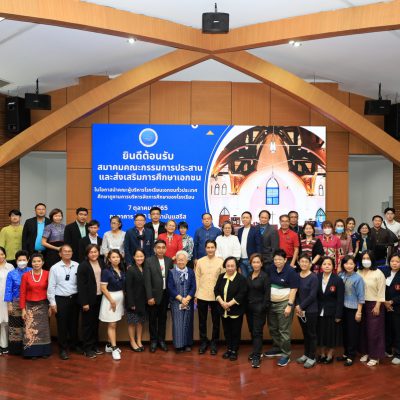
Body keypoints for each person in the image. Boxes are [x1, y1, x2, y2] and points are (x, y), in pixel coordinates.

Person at [264, 249, 300, 367]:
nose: (277, 261)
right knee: (273, 328)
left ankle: (286, 354)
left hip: (284, 304)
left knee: (284, 330)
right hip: (271, 304)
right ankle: (277, 348)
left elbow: (294, 289)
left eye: (280, 259)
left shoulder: (291, 271)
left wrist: (289, 305)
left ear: (285, 260)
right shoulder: (270, 269)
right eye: (275, 259)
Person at [47, 244, 80, 360]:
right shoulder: (55, 268)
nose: (67, 253)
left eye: (69, 251)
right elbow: (51, 286)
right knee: (62, 326)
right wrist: (52, 303)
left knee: (74, 324)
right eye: (65, 251)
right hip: (60, 299)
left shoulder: (77, 265)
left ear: (72, 253)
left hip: (74, 298)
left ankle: (74, 345)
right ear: (60, 254)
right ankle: (62, 349)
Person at [195, 240, 224, 355]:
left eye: (212, 247)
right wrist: (196, 294)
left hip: (216, 297)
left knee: (216, 321)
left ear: (215, 248)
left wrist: (221, 295)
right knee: (202, 321)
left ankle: (214, 343)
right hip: (202, 295)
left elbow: (223, 279)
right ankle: (203, 342)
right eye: (208, 247)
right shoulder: (200, 261)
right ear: (205, 248)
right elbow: (197, 278)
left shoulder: (221, 262)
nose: (210, 249)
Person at [215, 257, 247, 361]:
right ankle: (229, 349)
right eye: (228, 266)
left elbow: (242, 294)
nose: (230, 268)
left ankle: (234, 351)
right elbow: (216, 290)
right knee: (227, 331)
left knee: (235, 332)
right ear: (225, 266)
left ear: (236, 266)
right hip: (223, 309)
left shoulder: (241, 279)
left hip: (236, 310)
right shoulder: (221, 276)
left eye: (232, 266)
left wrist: (229, 304)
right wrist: (222, 303)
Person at [20, 253, 51, 359]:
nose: (36, 263)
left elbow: (51, 291)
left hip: (43, 305)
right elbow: (22, 293)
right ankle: (31, 352)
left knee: (43, 329)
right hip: (29, 306)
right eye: (34, 261)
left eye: (38, 261)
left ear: (43, 262)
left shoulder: (48, 274)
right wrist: (23, 309)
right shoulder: (25, 275)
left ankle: (44, 351)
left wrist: (50, 306)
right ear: (31, 263)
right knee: (30, 329)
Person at [144, 240, 173, 353]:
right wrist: (149, 297)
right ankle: (153, 341)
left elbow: (170, 278)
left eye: (163, 247)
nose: (161, 249)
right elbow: (147, 281)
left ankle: (161, 340)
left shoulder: (169, 260)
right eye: (158, 247)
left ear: (166, 249)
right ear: (154, 249)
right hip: (153, 296)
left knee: (163, 319)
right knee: (152, 319)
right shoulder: (149, 261)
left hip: (165, 295)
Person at [358, 250, 386, 366]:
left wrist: (378, 305)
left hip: (374, 304)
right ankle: (366, 352)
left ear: (372, 260)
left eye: (368, 258)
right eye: (364, 258)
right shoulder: (358, 271)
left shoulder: (378, 273)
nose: (366, 260)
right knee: (363, 330)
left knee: (374, 331)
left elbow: (381, 290)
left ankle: (375, 356)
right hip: (361, 304)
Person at [77, 244, 105, 358]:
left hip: (99, 297)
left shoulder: (101, 262)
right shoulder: (83, 266)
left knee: (95, 323)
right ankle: (87, 348)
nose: (93, 254)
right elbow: (81, 286)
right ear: (87, 254)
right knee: (87, 325)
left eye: (95, 251)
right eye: (91, 252)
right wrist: (84, 302)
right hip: (88, 300)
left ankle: (94, 346)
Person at [338, 255, 365, 366]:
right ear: (343, 264)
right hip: (342, 308)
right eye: (346, 263)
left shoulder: (358, 278)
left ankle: (351, 355)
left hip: (353, 309)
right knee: (344, 333)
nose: (349, 266)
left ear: (355, 265)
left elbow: (361, 296)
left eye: (351, 264)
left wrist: (359, 312)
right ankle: (345, 353)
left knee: (352, 333)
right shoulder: (340, 275)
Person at [317, 256, 344, 364]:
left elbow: (340, 299)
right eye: (324, 264)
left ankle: (330, 355)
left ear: (333, 266)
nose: (327, 266)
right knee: (321, 334)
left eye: (329, 264)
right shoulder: (317, 277)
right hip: (319, 311)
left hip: (332, 312)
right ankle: (322, 354)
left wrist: (338, 315)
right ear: (321, 266)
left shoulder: (338, 280)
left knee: (331, 334)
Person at [167, 250, 196, 352]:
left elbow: (193, 286)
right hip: (176, 301)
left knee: (188, 322)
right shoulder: (171, 272)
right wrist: (181, 299)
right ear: (176, 261)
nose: (181, 262)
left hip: (188, 301)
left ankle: (188, 343)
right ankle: (179, 345)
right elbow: (170, 287)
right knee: (178, 323)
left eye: (183, 260)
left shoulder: (191, 271)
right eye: (179, 260)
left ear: (187, 261)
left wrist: (187, 298)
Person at [99, 249, 126, 361]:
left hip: (119, 298)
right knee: (112, 324)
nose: (116, 259)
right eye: (113, 257)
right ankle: (114, 348)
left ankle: (109, 345)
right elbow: (103, 288)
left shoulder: (121, 269)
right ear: (109, 259)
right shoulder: (106, 271)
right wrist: (111, 300)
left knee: (114, 323)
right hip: (110, 299)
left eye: (117, 257)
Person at [4, 250, 31, 355]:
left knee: (29, 325)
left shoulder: (32, 271)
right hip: (15, 302)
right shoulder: (11, 274)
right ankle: (16, 349)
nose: (22, 262)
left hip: (29, 302)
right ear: (16, 261)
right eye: (20, 260)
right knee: (15, 326)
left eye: (24, 259)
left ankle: (29, 348)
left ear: (28, 260)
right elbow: (8, 289)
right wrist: (9, 304)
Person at [246, 253, 270, 368]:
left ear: (261, 264)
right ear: (251, 264)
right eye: (253, 262)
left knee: (257, 332)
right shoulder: (249, 275)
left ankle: (256, 357)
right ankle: (257, 351)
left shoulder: (265, 276)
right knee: (252, 331)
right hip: (249, 309)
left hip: (259, 309)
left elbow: (267, 295)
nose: (255, 264)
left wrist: (262, 308)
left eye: (257, 262)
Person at [295, 253, 319, 369]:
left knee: (311, 334)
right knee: (305, 334)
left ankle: (312, 357)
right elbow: (295, 292)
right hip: (300, 310)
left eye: (306, 262)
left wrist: (301, 306)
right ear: (298, 263)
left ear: (310, 264)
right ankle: (306, 354)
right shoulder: (296, 276)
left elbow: (312, 296)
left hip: (311, 310)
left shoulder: (314, 277)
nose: (304, 264)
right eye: (302, 261)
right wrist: (297, 306)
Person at [125, 249, 147, 352]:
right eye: (137, 256)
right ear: (133, 257)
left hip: (142, 301)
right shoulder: (131, 269)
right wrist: (131, 303)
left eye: (141, 256)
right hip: (133, 301)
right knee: (132, 322)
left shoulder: (145, 268)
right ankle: (132, 342)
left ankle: (139, 340)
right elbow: (128, 288)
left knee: (140, 322)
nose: (139, 258)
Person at [384, 254, 400, 365]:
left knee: (397, 330)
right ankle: (388, 350)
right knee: (388, 329)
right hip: (385, 306)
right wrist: (385, 302)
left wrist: (391, 302)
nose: (394, 263)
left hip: (397, 307)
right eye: (392, 261)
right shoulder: (386, 273)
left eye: (397, 261)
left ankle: (398, 353)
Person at [238, 211, 262, 277]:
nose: (245, 219)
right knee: (244, 278)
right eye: (243, 217)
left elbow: (258, 245)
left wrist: (258, 259)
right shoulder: (240, 230)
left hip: (251, 259)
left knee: (253, 278)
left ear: (251, 219)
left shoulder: (255, 230)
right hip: (241, 260)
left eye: (247, 217)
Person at [0, 247, 14, 354]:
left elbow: (13, 283)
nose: (0, 256)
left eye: (2, 254)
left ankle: (4, 345)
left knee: (5, 322)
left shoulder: (10, 267)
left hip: (7, 299)